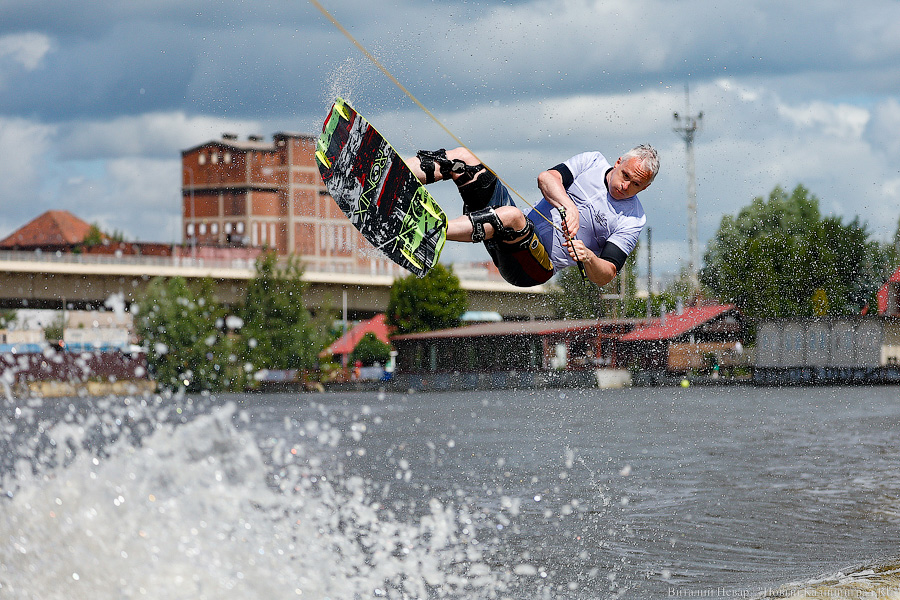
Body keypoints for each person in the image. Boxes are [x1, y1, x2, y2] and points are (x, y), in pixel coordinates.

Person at [408, 145, 658, 287]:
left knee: (513, 217)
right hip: (509, 229)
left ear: (644, 189)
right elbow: (546, 178)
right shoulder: (591, 161)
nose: (625, 186)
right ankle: (395, 176)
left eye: (635, 185)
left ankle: (426, 233)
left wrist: (590, 257)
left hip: (534, 268)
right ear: (617, 163)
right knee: (462, 158)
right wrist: (568, 206)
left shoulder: (633, 219)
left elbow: (607, 274)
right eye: (625, 175)